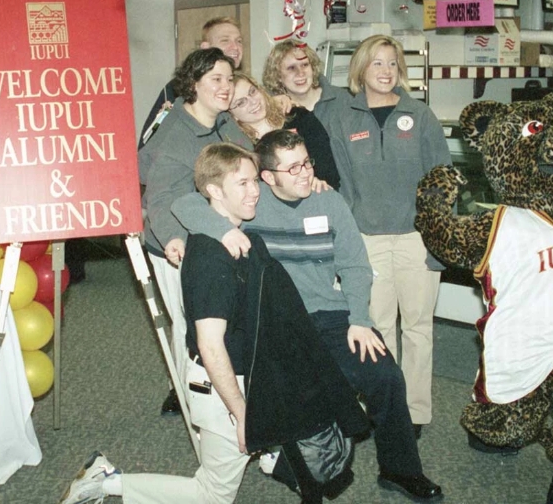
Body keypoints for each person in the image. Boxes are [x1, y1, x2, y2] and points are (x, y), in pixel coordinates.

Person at [60, 143, 367, 504]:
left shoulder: (244, 238)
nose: (255, 191)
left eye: (255, 181)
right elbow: (210, 347)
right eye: (243, 184)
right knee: (213, 495)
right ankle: (106, 481)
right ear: (215, 191)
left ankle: (272, 456)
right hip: (221, 387)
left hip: (246, 374)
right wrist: (242, 415)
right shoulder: (210, 260)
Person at [172, 130, 445, 502]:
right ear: (269, 176)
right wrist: (221, 230)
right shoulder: (250, 199)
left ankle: (400, 469)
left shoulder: (328, 200)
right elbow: (187, 203)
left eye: (307, 162)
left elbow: (355, 266)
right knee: (299, 391)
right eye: (293, 167)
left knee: (385, 375)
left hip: (330, 315)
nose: (305, 173)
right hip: (276, 324)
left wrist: (361, 320)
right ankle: (306, 473)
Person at [326, 35, 452, 438]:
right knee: (376, 328)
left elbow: (442, 182)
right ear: (361, 69)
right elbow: (342, 186)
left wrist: (437, 240)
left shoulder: (420, 115)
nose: (385, 71)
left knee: (418, 327)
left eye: (392, 64)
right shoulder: (342, 118)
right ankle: (387, 406)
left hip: (416, 238)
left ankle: (414, 412)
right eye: (377, 63)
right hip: (368, 239)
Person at [138, 48, 252, 417]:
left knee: (218, 320)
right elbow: (162, 196)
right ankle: (188, 396)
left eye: (229, 78)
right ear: (194, 85)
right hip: (175, 242)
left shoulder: (225, 123)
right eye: (215, 80)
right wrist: (172, 237)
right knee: (189, 324)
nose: (225, 87)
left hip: (219, 236)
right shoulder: (175, 130)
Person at [138, 17, 244, 149]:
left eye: (239, 41)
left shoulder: (246, 84)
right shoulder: (178, 87)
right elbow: (150, 141)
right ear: (205, 47)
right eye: (225, 40)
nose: (235, 47)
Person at [228, 71, 340, 189]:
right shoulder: (240, 145)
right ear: (231, 114)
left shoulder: (299, 117)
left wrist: (319, 183)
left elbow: (329, 172)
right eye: (241, 102)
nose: (253, 101)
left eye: (252, 92)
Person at [262, 39, 352, 132]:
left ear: (312, 67)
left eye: (305, 65)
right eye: (291, 68)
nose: (300, 73)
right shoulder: (273, 109)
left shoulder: (342, 99)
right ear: (278, 75)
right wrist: (270, 106)